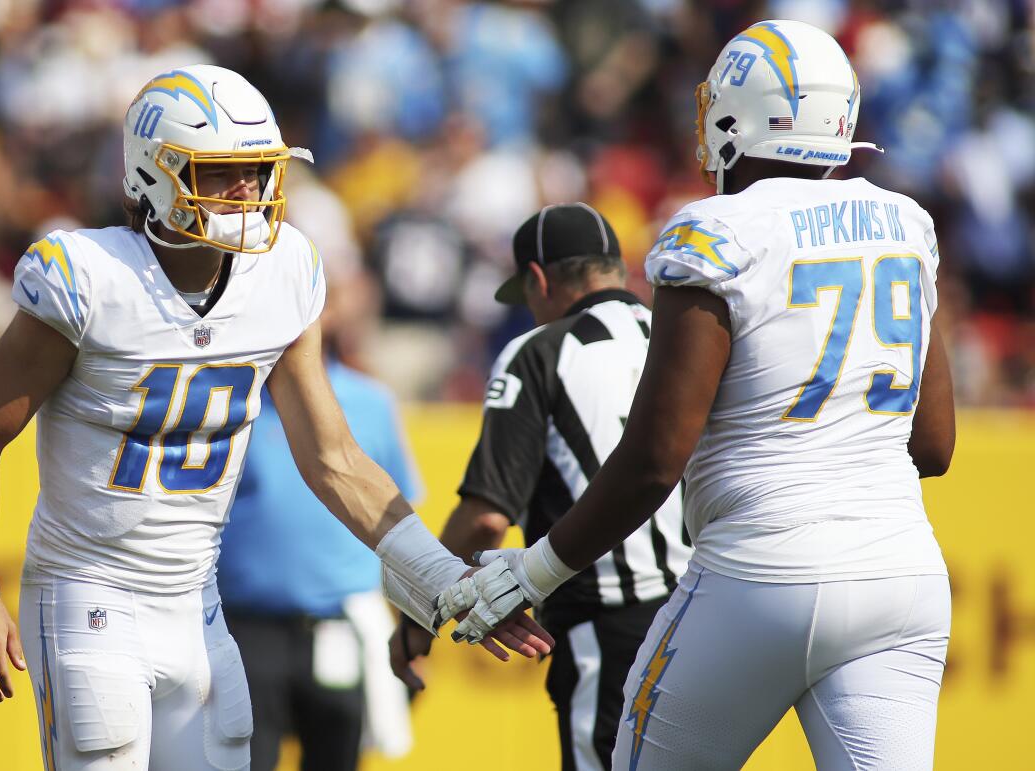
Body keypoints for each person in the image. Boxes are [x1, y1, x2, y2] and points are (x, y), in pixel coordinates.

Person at [0, 64, 550, 771]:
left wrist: (445, 578)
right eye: (221, 172)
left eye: (256, 171)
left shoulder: (284, 272)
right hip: (88, 594)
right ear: (153, 176)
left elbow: (333, 458)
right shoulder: (89, 278)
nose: (246, 192)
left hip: (198, 603)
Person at [441, 20, 955, 770]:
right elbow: (933, 446)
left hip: (759, 571)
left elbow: (655, 459)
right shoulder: (905, 223)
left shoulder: (717, 230)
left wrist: (537, 568)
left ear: (736, 118)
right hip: (903, 577)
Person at [389, 203, 691, 771]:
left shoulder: (541, 350)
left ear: (539, 279)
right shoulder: (681, 333)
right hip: (708, 609)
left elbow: (485, 517)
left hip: (609, 622)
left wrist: (418, 612)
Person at [217, 270, 419, 771]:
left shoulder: (371, 403)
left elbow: (395, 513)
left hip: (340, 624)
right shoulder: (234, 401)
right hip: (248, 625)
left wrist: (412, 621)